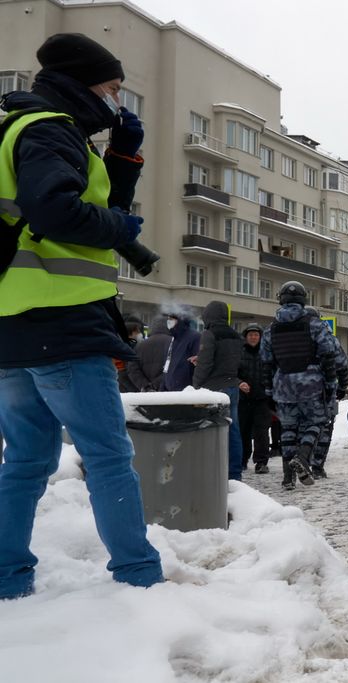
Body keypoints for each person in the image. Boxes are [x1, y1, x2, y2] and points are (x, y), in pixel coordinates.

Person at [0, 32, 164, 599]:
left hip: (13, 323)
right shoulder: (52, 130)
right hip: (64, 323)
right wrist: (122, 230)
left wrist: (122, 161)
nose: (118, 102)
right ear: (84, 83)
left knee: (24, 462)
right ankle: (139, 577)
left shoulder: (22, 128)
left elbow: (78, 203)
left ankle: (7, 579)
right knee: (109, 455)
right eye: (115, 89)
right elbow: (58, 211)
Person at [259, 281, 338, 490]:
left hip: (283, 386)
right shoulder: (313, 324)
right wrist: (330, 384)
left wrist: (268, 391)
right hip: (311, 384)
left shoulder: (271, 329)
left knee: (288, 430)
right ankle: (303, 458)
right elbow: (328, 354)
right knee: (317, 422)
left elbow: (266, 363)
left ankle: (287, 478)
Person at [191, 300, 244, 480]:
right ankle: (235, 474)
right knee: (234, 430)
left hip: (214, 389)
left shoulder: (209, 334)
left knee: (213, 431)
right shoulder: (236, 335)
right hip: (232, 386)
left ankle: (214, 472)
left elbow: (206, 364)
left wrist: (196, 384)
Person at [303, 305, 348, 479]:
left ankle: (302, 460)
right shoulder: (327, 337)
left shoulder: (294, 337)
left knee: (304, 428)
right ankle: (317, 466)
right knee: (324, 427)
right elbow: (341, 363)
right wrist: (342, 386)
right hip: (324, 389)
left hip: (297, 391)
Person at [238, 322, 272, 474]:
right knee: (243, 431)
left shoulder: (266, 352)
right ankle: (242, 459)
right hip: (243, 399)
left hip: (262, 399)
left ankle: (261, 462)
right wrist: (239, 383)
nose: (253, 337)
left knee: (262, 432)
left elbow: (272, 371)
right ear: (246, 337)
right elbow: (233, 373)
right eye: (250, 335)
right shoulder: (239, 353)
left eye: (256, 335)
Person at [126, 315, 171, 391]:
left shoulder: (139, 345)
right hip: (167, 392)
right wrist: (156, 385)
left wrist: (146, 386)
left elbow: (132, 369)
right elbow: (174, 368)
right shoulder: (173, 343)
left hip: (146, 395)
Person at [161, 312, 200, 391]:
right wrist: (162, 388)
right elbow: (167, 366)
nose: (169, 321)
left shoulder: (194, 337)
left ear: (180, 319)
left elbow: (199, 365)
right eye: (168, 319)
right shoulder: (171, 339)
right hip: (169, 392)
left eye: (171, 319)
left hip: (186, 392)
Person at [116, 315, 145, 392]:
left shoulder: (138, 347)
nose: (140, 334)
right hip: (126, 390)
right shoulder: (122, 349)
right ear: (129, 334)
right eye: (137, 332)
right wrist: (135, 390)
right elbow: (122, 374)